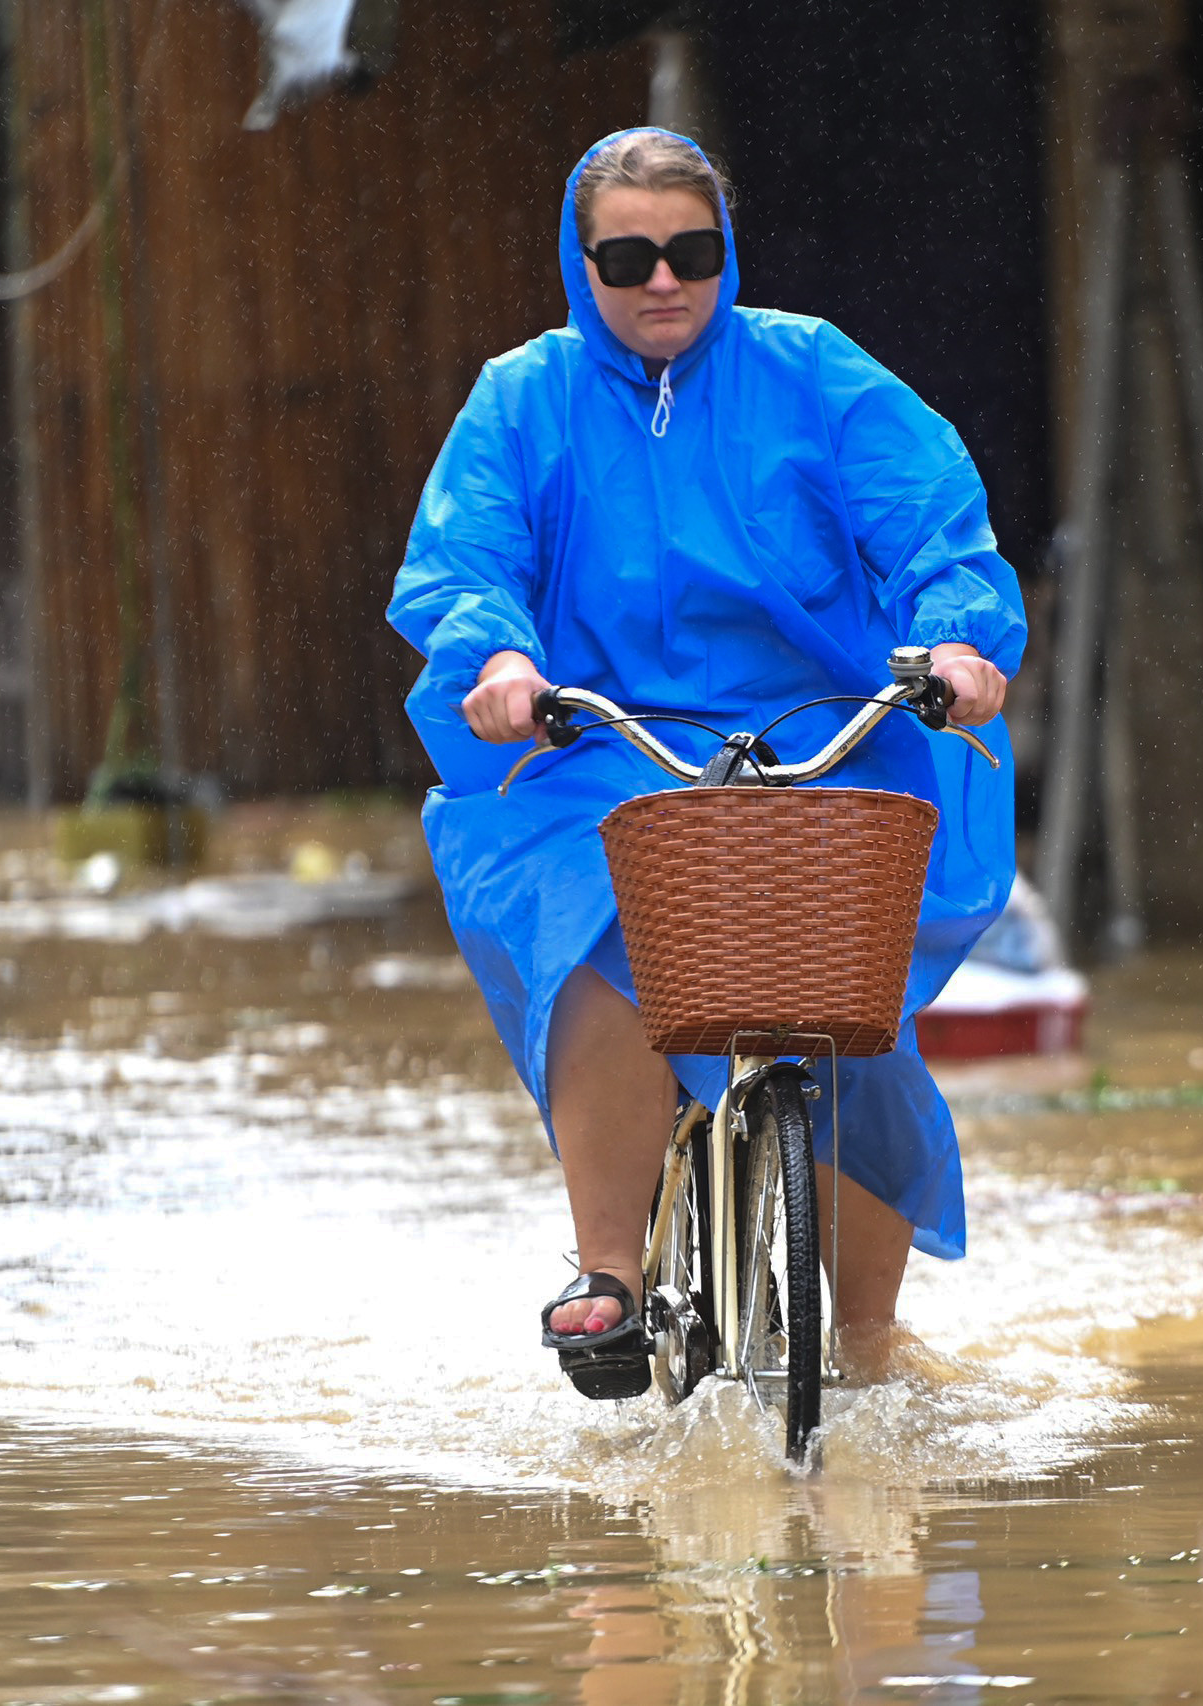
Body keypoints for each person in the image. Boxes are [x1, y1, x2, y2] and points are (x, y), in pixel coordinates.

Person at [387, 130, 1025, 1399]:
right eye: (628, 258)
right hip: (587, 744)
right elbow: (467, 565)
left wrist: (958, 637)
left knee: (857, 1016)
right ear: (581, 269)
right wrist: (501, 661)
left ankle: (870, 1341)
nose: (663, 281)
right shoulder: (521, 397)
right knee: (595, 917)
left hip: (825, 736)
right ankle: (610, 1271)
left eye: (692, 253)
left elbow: (933, 520)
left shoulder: (816, 372)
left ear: (726, 254)